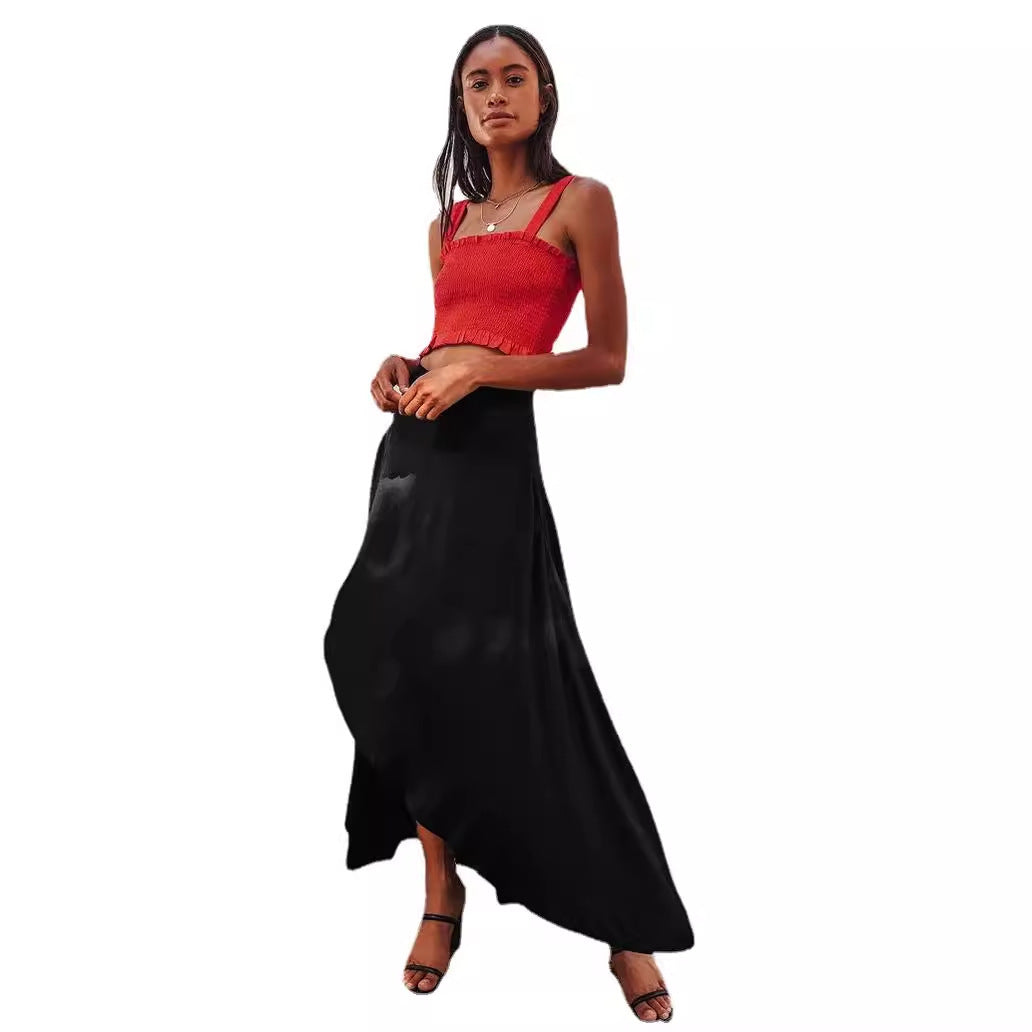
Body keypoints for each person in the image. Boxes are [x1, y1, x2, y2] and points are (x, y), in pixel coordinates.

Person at [323, 24, 694, 1022]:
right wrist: (406, 365)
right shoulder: (447, 224)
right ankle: (439, 894)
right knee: (399, 668)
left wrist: (485, 371)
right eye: (476, 82)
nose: (494, 95)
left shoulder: (581, 203)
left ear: (544, 93)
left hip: (492, 465)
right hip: (412, 460)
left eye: (512, 78)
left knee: (534, 684)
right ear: (461, 102)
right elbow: (450, 338)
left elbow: (607, 358)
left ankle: (626, 925)